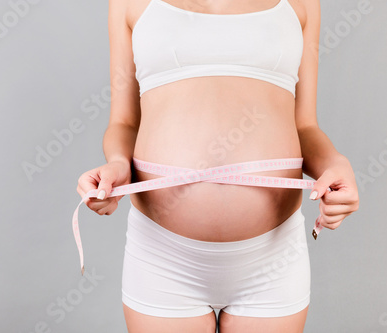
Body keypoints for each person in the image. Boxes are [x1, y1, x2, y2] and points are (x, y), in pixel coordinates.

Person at [76, 0, 359, 331]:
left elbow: (305, 126)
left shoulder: (303, 4)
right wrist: (118, 166)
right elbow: (123, 122)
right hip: (163, 257)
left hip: (272, 257)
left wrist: (338, 164)